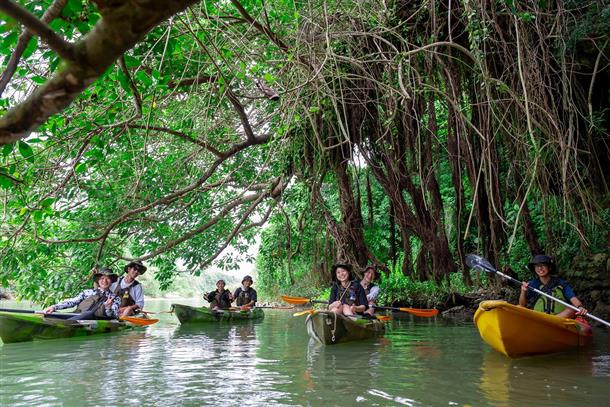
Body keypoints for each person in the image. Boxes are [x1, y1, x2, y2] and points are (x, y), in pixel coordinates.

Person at [518, 254, 587, 318]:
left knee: (572, 309)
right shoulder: (532, 284)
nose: (540, 268)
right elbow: (522, 305)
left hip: (559, 319)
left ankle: (551, 321)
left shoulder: (561, 283)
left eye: (543, 265)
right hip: (539, 318)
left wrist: (580, 307)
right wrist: (523, 291)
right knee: (519, 307)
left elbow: (573, 298)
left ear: (549, 267)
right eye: (537, 266)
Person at [43, 268, 121, 320]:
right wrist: (54, 307)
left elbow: (112, 315)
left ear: (111, 281)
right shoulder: (87, 292)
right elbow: (72, 301)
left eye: (107, 278)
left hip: (95, 320)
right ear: (98, 280)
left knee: (89, 314)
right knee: (49, 314)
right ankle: (64, 323)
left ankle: (65, 324)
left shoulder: (115, 298)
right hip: (77, 316)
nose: (104, 281)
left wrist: (108, 308)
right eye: (102, 278)